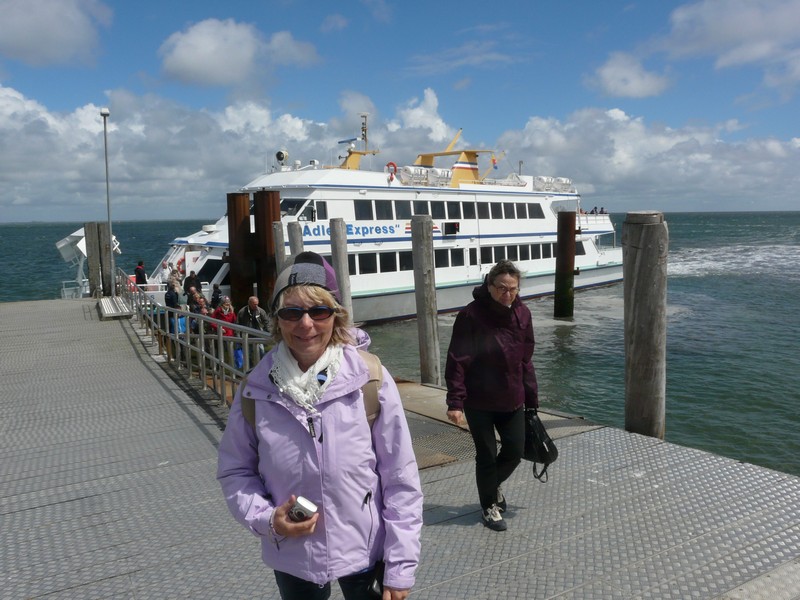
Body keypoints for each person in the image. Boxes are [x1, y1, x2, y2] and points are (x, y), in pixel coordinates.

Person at [217, 251, 423, 600]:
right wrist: (269, 520)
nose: (306, 323)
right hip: (294, 553)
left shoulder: (370, 378)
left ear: (336, 316)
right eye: (292, 312)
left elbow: (400, 476)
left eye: (319, 311)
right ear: (278, 321)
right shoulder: (256, 389)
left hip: (366, 549)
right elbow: (235, 471)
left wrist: (400, 565)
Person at [444, 259, 538, 532]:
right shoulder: (471, 315)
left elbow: (526, 360)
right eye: (501, 288)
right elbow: (457, 359)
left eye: (513, 289)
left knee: (514, 451)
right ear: (489, 285)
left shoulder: (523, 314)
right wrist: (455, 401)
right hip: (479, 400)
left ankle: (491, 485)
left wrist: (532, 399)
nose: (507, 294)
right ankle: (489, 506)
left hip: (513, 397)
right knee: (485, 455)